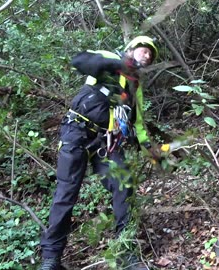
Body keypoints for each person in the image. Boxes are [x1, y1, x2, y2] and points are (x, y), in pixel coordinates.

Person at [39, 36, 160, 270]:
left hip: (106, 142)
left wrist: (151, 151)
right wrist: (116, 64)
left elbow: (139, 124)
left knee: (124, 184)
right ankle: (50, 260)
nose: (147, 56)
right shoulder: (109, 62)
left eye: (150, 55)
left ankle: (126, 254)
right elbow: (81, 61)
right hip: (76, 132)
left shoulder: (135, 87)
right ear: (131, 49)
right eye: (144, 51)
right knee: (66, 194)